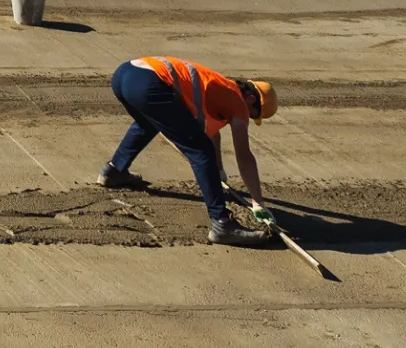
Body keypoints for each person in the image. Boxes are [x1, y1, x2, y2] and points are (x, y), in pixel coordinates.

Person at [99, 55, 282, 246]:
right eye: (253, 114)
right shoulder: (237, 102)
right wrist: (258, 202)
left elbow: (210, 132)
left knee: (149, 122)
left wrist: (218, 169)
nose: (248, 118)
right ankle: (222, 224)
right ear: (252, 98)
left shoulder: (219, 86)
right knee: (201, 152)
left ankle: (114, 170)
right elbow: (244, 157)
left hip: (125, 75)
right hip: (149, 83)